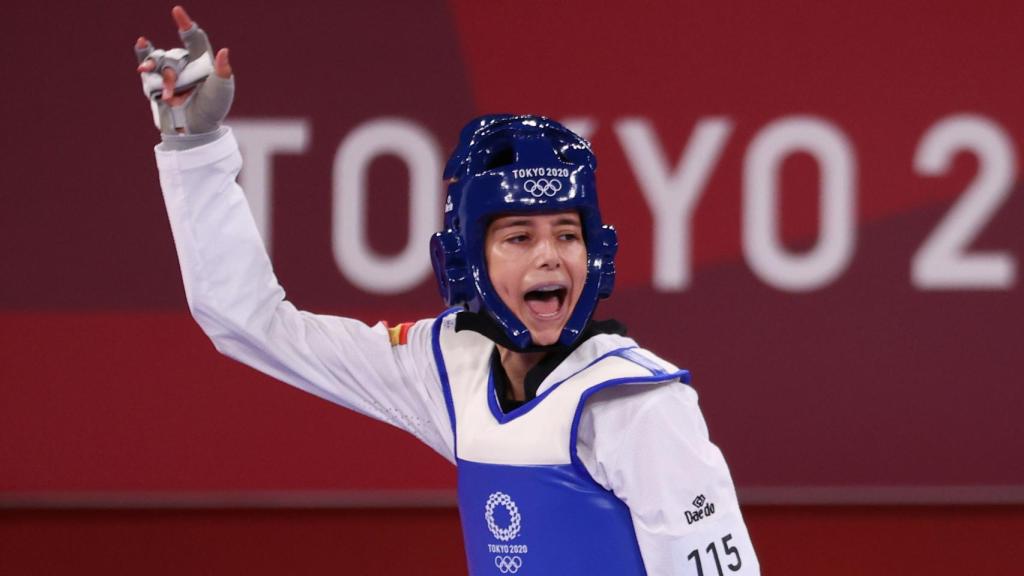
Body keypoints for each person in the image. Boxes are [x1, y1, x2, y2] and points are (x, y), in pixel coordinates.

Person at [136, 6, 760, 575]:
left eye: (567, 235)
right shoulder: (447, 367)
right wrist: (195, 152)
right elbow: (250, 323)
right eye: (518, 237)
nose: (550, 256)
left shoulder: (639, 406)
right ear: (466, 258)